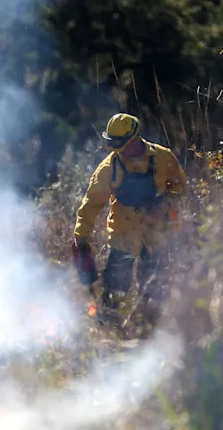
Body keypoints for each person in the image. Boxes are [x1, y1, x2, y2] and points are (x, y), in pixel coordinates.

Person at [71, 113, 186, 330]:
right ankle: (108, 329)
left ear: (134, 139)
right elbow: (91, 204)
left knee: (154, 285)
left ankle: (148, 329)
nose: (117, 150)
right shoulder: (108, 168)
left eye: (121, 144)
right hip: (123, 234)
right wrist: (81, 236)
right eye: (113, 144)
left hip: (156, 232)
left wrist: (165, 201)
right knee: (116, 286)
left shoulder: (163, 158)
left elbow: (180, 184)